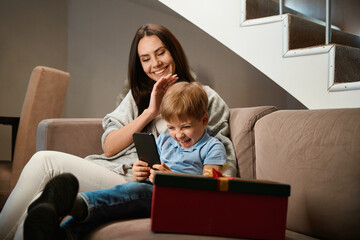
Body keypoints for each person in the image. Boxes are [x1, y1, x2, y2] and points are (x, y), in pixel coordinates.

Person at [0, 23, 237, 240]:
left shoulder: (205, 97)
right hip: (121, 172)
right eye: (145, 59)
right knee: (41, 199)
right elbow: (110, 146)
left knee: (45, 162)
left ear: (174, 52)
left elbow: (219, 167)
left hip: (152, 186)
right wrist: (149, 111)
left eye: (161, 53)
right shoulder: (138, 96)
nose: (155, 64)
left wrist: (173, 177)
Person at [24, 81, 227, 239]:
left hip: (180, 200)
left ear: (204, 120)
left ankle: (71, 204)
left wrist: (171, 178)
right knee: (116, 205)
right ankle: (63, 233)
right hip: (153, 190)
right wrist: (141, 170)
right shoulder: (165, 140)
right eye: (172, 127)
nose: (178, 134)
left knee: (134, 192)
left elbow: (209, 185)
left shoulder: (212, 147)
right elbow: (151, 169)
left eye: (185, 127)